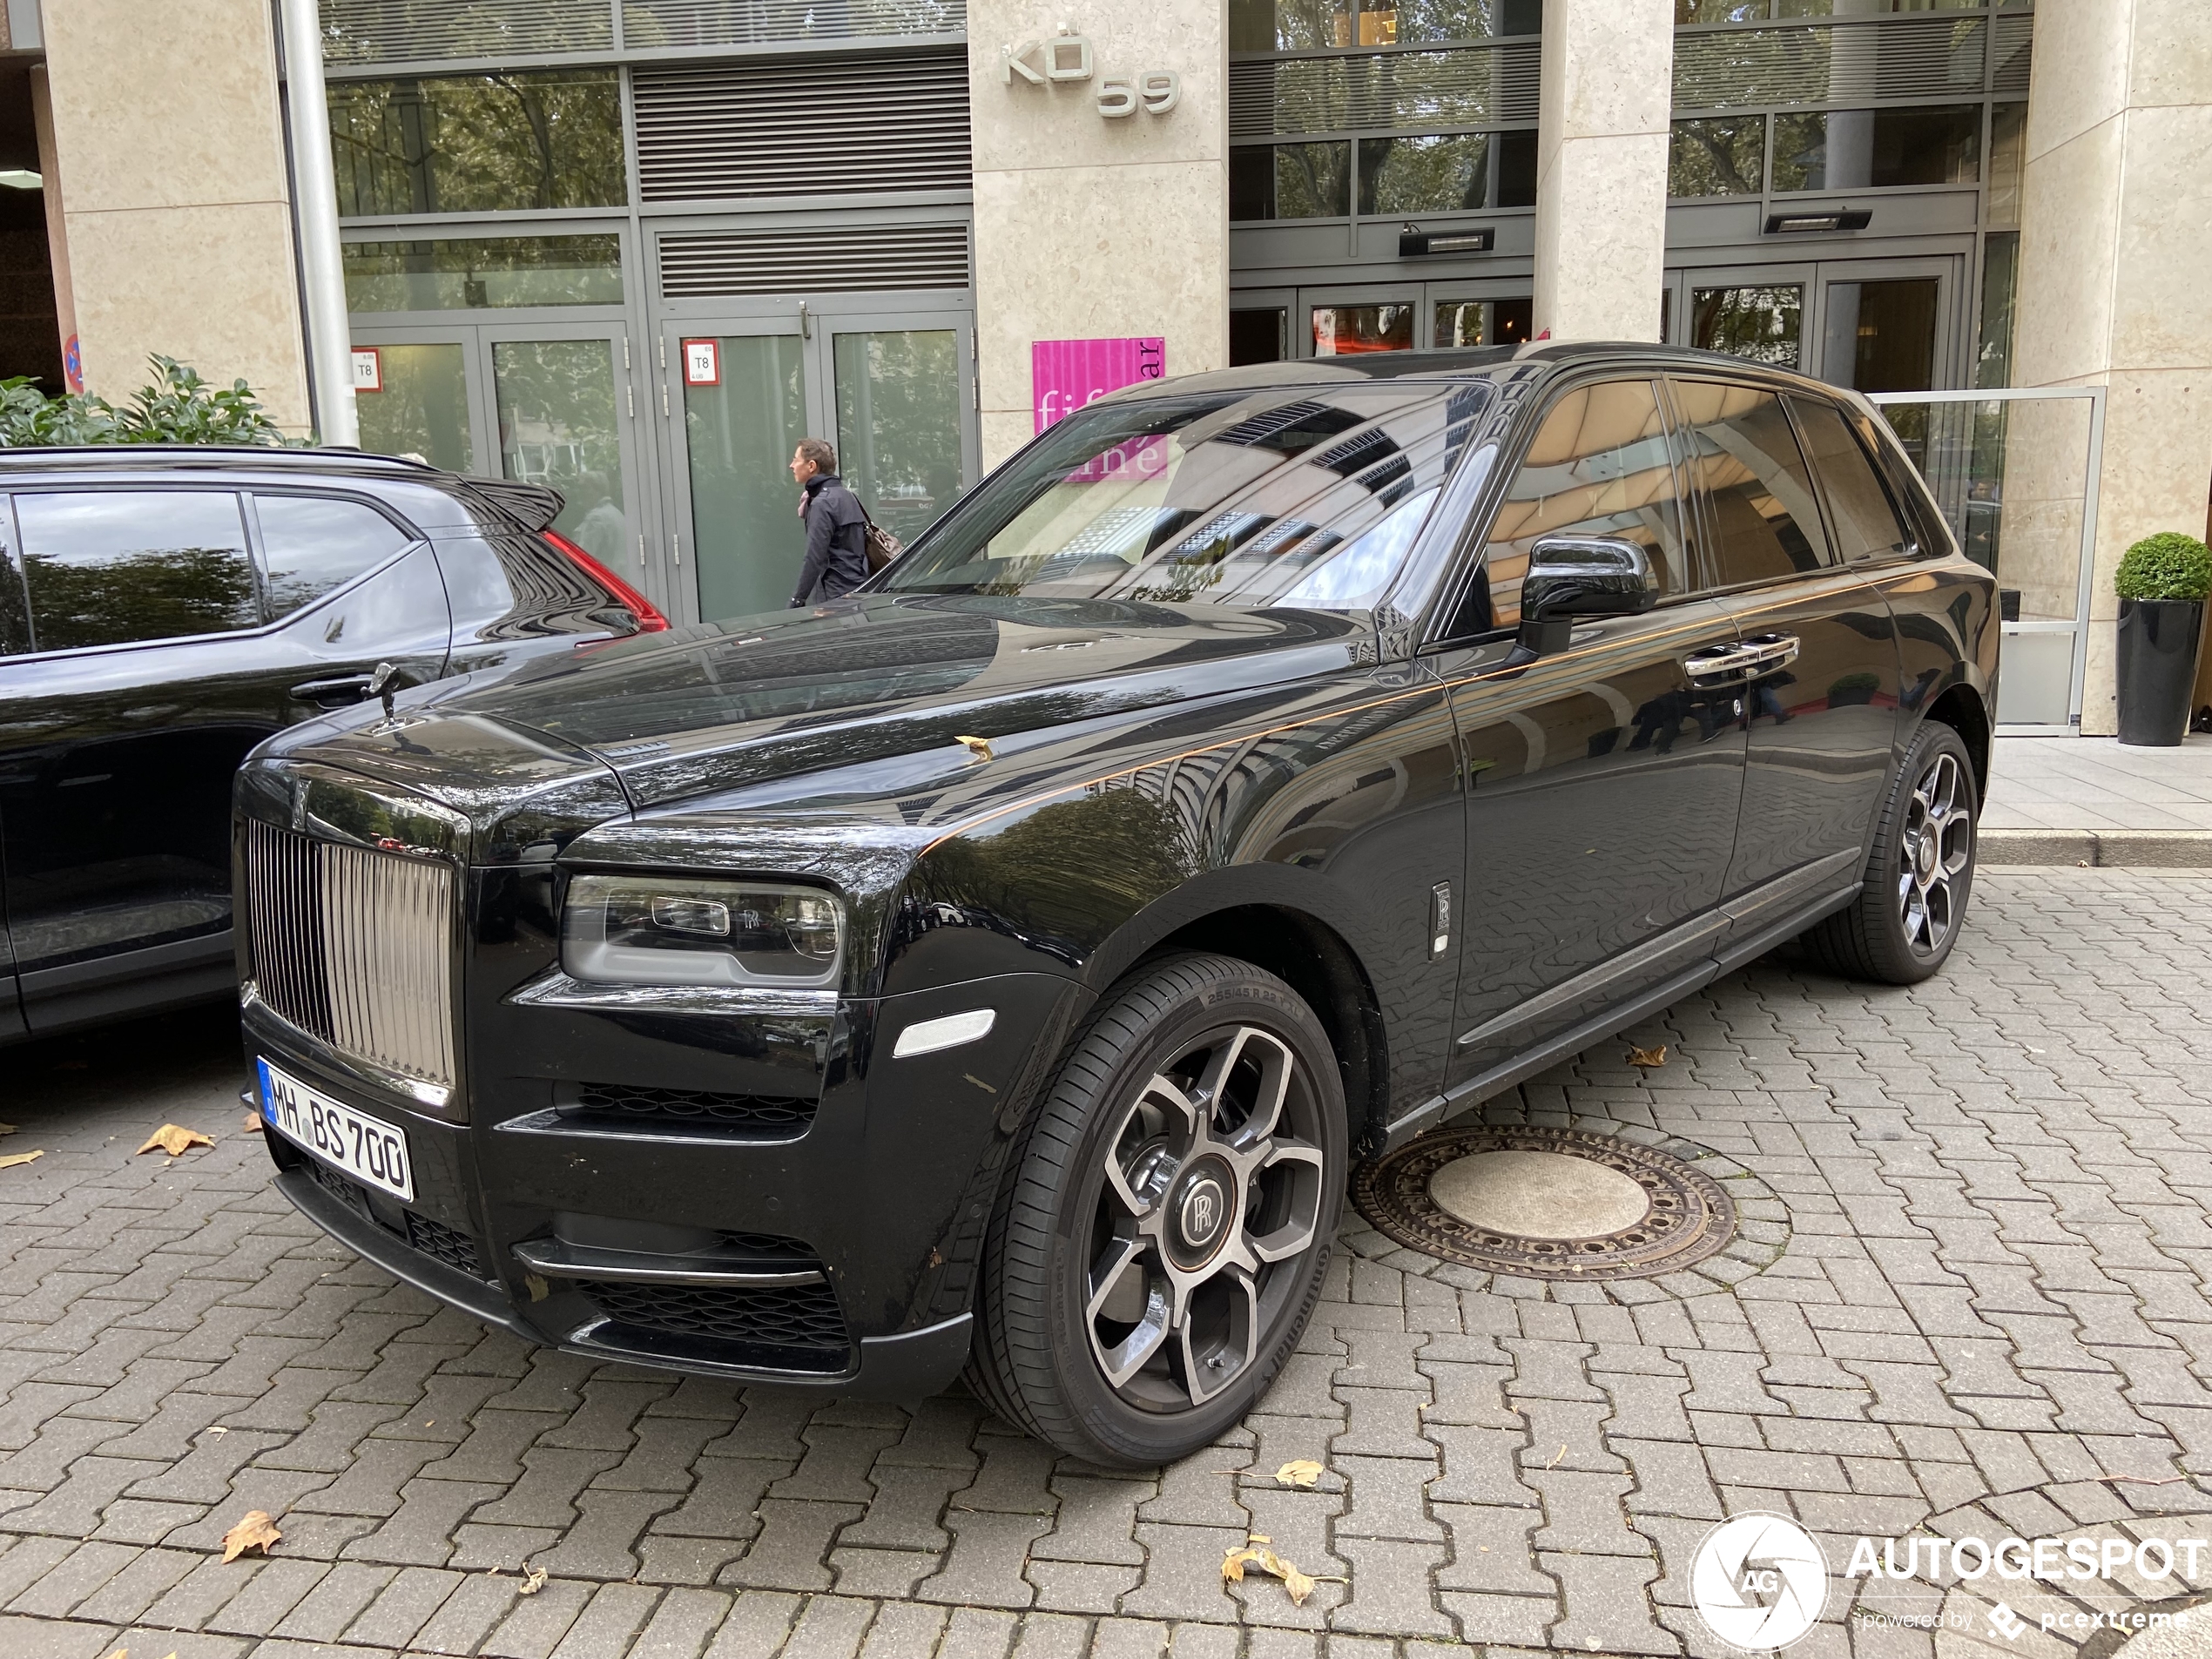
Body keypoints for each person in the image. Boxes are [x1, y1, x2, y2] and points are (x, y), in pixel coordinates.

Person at [788, 438, 869, 605]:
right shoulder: (847, 496)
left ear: (811, 466)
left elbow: (814, 557)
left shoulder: (821, 503)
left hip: (834, 596)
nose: (791, 465)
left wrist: (798, 599)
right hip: (858, 589)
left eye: (796, 460)